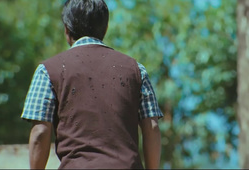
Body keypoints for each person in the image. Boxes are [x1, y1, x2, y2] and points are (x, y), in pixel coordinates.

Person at [20, 0, 163, 169]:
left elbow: (40, 133)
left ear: (67, 29)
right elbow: (151, 127)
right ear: (105, 28)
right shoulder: (136, 70)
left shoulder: (47, 71)